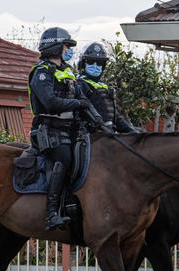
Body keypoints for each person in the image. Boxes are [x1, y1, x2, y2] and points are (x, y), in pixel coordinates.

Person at [28, 27, 101, 231]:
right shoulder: (42, 73)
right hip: (47, 132)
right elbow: (50, 102)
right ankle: (51, 213)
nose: (69, 50)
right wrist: (79, 105)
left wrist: (97, 119)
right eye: (67, 46)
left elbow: (83, 99)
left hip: (69, 131)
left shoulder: (68, 71)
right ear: (56, 47)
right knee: (64, 159)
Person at [76, 41, 140, 134]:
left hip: (108, 134)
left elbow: (115, 116)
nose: (95, 66)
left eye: (99, 63)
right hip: (88, 135)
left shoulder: (104, 86)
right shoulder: (80, 84)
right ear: (83, 64)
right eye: (90, 61)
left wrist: (132, 131)